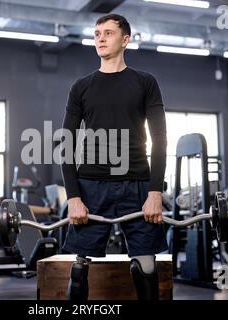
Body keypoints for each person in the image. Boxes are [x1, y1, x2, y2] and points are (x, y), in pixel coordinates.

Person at [60, 14, 168, 301]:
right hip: (90, 185)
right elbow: (66, 143)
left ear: (125, 40)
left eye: (108, 33)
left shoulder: (145, 82)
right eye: (97, 34)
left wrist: (155, 192)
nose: (101, 38)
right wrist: (73, 197)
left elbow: (159, 140)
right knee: (80, 266)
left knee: (146, 265)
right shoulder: (81, 86)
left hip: (137, 184)